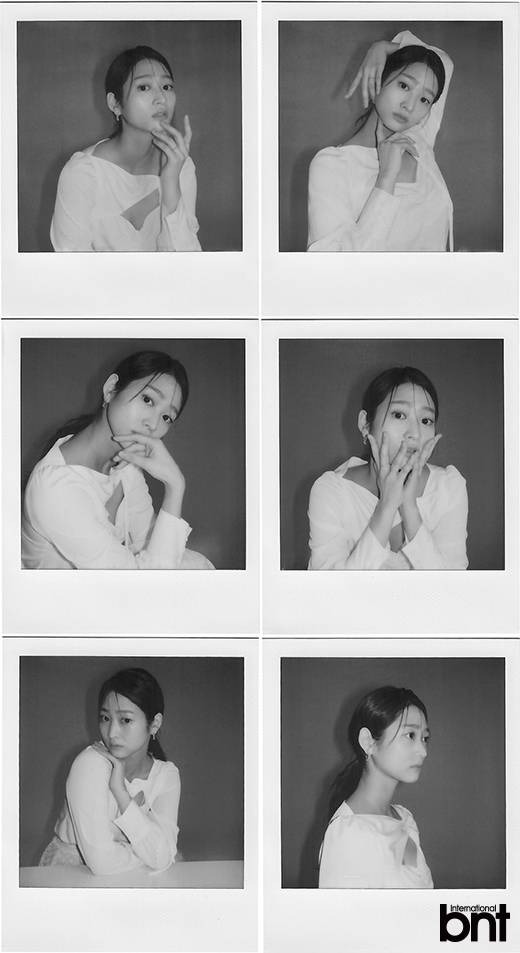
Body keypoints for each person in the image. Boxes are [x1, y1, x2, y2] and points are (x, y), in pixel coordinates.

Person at [22, 349, 214, 569]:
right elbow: (145, 582)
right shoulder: (56, 486)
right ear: (111, 389)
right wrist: (175, 485)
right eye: (148, 399)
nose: (153, 425)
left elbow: (148, 543)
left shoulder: (125, 464)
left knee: (199, 564)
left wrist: (176, 483)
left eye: (166, 417)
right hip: (63, 593)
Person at [308, 366, 468, 570]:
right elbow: (332, 587)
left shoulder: (448, 487)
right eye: (399, 415)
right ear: (365, 424)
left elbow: (452, 586)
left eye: (426, 420)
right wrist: (387, 506)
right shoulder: (332, 491)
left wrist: (409, 507)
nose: (415, 434)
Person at [307, 31, 454, 251]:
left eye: (424, 99)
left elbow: (444, 63)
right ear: (378, 79)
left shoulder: (418, 142)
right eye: (404, 85)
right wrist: (386, 179)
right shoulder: (332, 165)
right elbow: (334, 265)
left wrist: (382, 48)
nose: (410, 106)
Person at [51, 45, 201, 251]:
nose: (161, 99)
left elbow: (188, 261)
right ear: (115, 104)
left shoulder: (180, 165)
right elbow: (71, 264)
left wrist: (170, 181)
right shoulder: (83, 173)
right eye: (144, 87)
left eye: (167, 87)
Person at [40, 668, 181, 875]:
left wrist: (121, 793)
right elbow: (102, 864)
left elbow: (162, 856)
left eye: (125, 720)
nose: (112, 733)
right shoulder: (89, 764)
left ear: (154, 724)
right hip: (71, 873)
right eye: (105, 718)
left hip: (132, 876)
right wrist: (151, 856)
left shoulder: (166, 775)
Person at [319, 685, 433, 888]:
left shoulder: (401, 820)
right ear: (368, 742)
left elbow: (416, 885)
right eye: (410, 735)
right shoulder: (348, 835)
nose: (423, 751)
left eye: (425, 738)